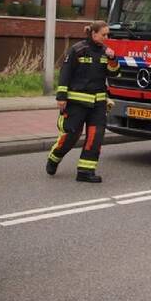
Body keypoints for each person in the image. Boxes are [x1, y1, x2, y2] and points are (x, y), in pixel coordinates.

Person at [45, 21, 119, 182]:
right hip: (76, 103)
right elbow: (65, 73)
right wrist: (61, 97)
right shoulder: (77, 50)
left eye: (108, 34)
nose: (107, 37)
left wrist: (113, 59)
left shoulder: (106, 52)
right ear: (94, 34)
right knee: (71, 136)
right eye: (104, 34)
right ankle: (54, 157)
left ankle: (85, 171)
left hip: (98, 104)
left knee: (96, 136)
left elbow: (114, 74)